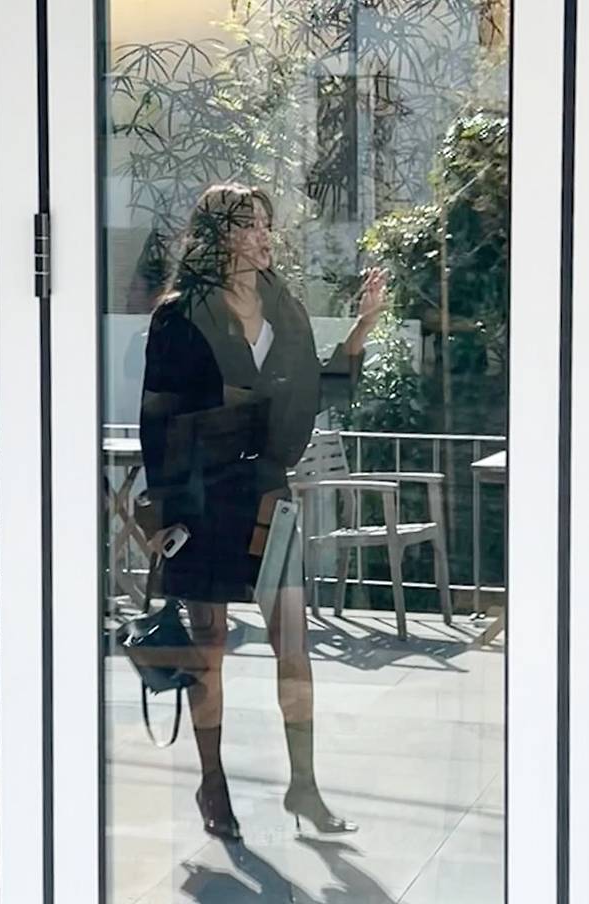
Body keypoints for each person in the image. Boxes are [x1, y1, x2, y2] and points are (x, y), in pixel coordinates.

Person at [139, 183, 387, 841]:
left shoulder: (284, 307)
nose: (262, 236)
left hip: (268, 497)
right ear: (218, 235)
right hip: (201, 499)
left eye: (265, 224)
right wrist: (162, 512)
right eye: (247, 224)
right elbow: (158, 417)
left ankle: (304, 786)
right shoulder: (179, 316)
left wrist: (362, 328)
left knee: (294, 646)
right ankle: (212, 783)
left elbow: (319, 391)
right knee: (209, 647)